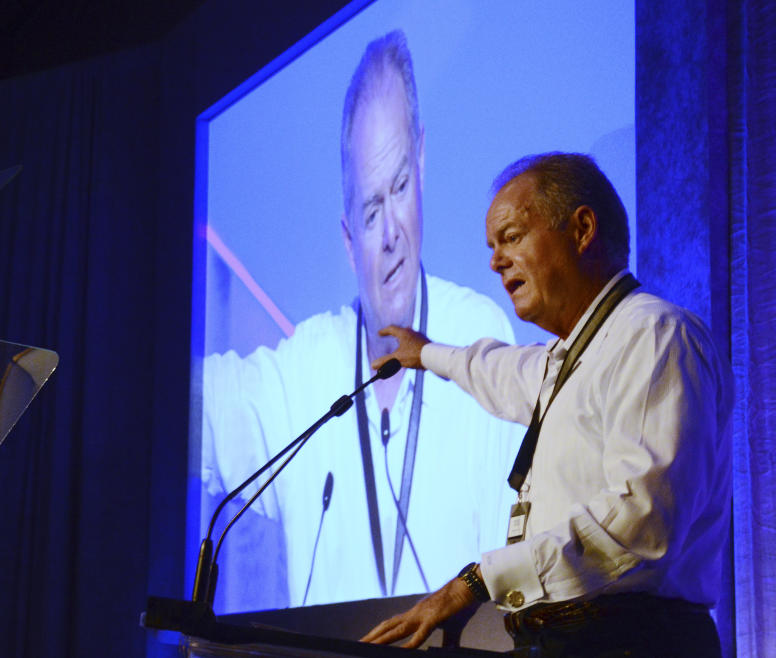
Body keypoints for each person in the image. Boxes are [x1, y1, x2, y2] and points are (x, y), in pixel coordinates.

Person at [362, 152, 733, 656]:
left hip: (635, 640)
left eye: (511, 237)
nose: (495, 261)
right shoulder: (567, 359)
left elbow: (640, 521)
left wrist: (477, 582)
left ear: (582, 229)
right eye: (492, 247)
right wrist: (423, 353)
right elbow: (491, 369)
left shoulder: (653, 335)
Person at [201, 30, 521, 610]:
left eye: (400, 187)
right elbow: (195, 407)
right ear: (349, 239)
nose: (392, 234)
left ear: (422, 163)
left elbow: (515, 555)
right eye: (371, 211)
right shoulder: (305, 366)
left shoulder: (480, 332)